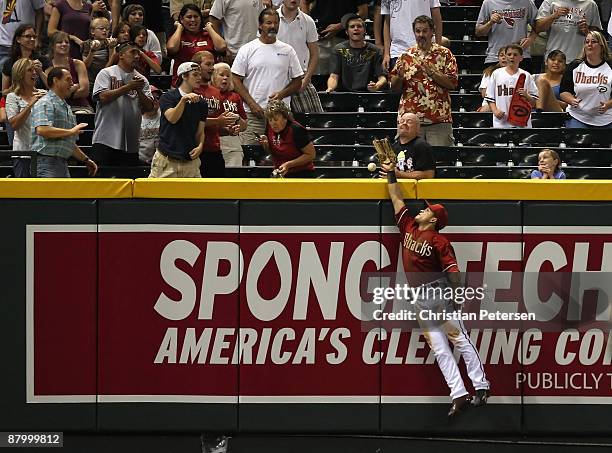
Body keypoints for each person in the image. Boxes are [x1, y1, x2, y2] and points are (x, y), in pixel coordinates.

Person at [381, 160, 490, 418]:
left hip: (438, 294)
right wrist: (390, 176)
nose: (422, 210)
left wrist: (456, 294)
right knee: (440, 349)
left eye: (427, 210)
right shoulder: (408, 226)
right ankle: (459, 394)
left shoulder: (440, 240)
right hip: (419, 299)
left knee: (459, 339)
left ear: (434, 219)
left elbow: (453, 270)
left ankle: (482, 385)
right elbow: (397, 200)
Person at [231, 7, 303, 145]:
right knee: (250, 153)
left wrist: (282, 94)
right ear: (260, 25)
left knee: (284, 151)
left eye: (276, 23)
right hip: (253, 114)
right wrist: (252, 104)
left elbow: (297, 81)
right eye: (269, 23)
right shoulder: (247, 49)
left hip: (281, 113)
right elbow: (235, 80)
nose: (273, 26)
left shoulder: (288, 50)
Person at [390, 15, 457, 146]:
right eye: (418, 31)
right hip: (410, 120)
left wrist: (432, 71)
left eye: (425, 31)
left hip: (438, 119)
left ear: (432, 32)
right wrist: (399, 77)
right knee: (408, 163)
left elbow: (452, 84)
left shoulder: (445, 54)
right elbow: (395, 88)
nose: (421, 34)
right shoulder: (405, 56)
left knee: (440, 161)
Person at [92, 41, 154, 165]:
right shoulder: (106, 73)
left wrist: (139, 91)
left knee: (127, 181)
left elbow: (149, 107)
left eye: (138, 53)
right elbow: (102, 97)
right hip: (105, 139)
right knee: (102, 182)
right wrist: (127, 87)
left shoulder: (142, 79)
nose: (137, 56)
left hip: (131, 143)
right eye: (133, 52)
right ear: (121, 55)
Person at [31, 67, 97, 177]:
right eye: (68, 79)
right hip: (46, 162)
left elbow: (68, 141)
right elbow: (42, 130)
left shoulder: (65, 106)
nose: (72, 84)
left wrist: (85, 160)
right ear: (56, 81)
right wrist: (71, 131)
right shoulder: (45, 102)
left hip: (61, 163)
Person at [150, 61, 207, 178]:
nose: (199, 78)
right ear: (184, 76)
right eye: (195, 75)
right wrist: (183, 100)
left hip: (189, 160)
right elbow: (172, 118)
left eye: (200, 75)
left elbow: (200, 130)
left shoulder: (201, 103)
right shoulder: (168, 97)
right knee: (157, 194)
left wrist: (200, 145)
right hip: (166, 159)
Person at [193, 50, 238, 177]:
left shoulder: (216, 92)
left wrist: (228, 130)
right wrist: (218, 121)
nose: (212, 68)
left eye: (213, 64)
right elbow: (192, 122)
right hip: (194, 149)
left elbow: (217, 124)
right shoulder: (191, 91)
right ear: (197, 66)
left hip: (214, 149)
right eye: (208, 64)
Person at [277, 0, 323, 113]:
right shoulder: (271, 20)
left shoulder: (308, 21)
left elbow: (314, 54)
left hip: (301, 78)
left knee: (316, 122)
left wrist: (306, 79)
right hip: (276, 79)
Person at [299, 0, 368, 75]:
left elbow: (363, 13)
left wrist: (341, 25)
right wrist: (309, 27)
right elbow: (304, 2)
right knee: (318, 79)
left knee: (346, 79)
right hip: (320, 39)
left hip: (346, 40)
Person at [560, 30, 612, 128]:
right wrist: (571, 100)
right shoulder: (575, 66)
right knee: (578, 142)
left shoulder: (610, 66)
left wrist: (608, 105)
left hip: (606, 118)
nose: (589, 44)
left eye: (593, 41)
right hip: (578, 116)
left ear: (602, 45)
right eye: (587, 42)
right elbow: (564, 91)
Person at [167, 4, 226, 86]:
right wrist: (179, 28)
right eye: (189, 17)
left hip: (208, 84)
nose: (193, 20)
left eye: (196, 16)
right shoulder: (178, 36)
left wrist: (210, 29)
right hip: (183, 84)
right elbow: (172, 48)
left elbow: (222, 47)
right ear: (181, 19)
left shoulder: (208, 34)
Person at [326, 13, 387, 93]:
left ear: (365, 30)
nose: (356, 29)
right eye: (352, 27)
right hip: (345, 94)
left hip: (368, 94)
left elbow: (382, 78)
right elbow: (334, 76)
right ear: (347, 32)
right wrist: (330, 88)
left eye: (359, 26)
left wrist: (376, 86)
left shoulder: (375, 50)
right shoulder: (339, 49)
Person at [5, 58, 46, 176]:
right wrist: (30, 104)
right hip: (23, 153)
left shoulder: (44, 94)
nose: (34, 73)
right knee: (25, 193)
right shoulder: (12, 97)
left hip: (43, 153)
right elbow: (14, 125)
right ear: (20, 74)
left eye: (34, 70)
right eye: (30, 70)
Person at [475, 0, 538, 73]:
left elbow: (539, 25)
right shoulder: (488, 2)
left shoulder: (527, 2)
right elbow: (478, 32)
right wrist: (490, 23)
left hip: (520, 56)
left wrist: (531, 38)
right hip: (495, 57)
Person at [381, 0, 444, 72]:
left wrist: (438, 48)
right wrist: (386, 53)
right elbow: (387, 21)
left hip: (425, 50)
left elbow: (436, 18)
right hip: (398, 51)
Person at [258, 99, 315, 177]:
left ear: (285, 118)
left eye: (276, 119)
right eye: (270, 120)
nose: (273, 124)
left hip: (302, 174)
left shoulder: (296, 130)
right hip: (280, 172)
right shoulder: (269, 128)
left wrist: (289, 164)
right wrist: (266, 145)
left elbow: (311, 155)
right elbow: (272, 152)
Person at [485, 44, 538, 128]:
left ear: (521, 58)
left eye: (515, 54)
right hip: (501, 120)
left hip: (521, 120)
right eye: (509, 54)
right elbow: (490, 97)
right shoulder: (496, 74)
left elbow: (534, 102)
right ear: (505, 57)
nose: (512, 57)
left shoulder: (527, 75)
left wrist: (526, 95)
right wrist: (495, 111)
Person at [535, 0, 602, 63]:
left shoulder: (590, 4)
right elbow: (538, 28)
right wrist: (554, 16)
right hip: (553, 59)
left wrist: (587, 31)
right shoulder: (550, 1)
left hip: (579, 60)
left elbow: (597, 36)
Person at [378, 113, 435, 180]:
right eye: (401, 121)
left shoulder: (422, 146)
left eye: (409, 121)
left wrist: (399, 175)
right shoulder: (394, 147)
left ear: (418, 128)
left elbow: (429, 174)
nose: (404, 123)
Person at [47, 31, 92, 113]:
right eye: (59, 42)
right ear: (52, 46)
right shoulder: (48, 66)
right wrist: (72, 89)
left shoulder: (78, 64)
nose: (64, 44)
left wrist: (63, 93)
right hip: (56, 108)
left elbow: (85, 91)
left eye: (67, 42)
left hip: (79, 107)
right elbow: (50, 91)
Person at [212, 62, 247, 167]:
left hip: (233, 143)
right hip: (213, 141)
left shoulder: (235, 97)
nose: (225, 78)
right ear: (213, 77)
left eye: (228, 76)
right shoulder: (207, 95)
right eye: (221, 75)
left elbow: (244, 125)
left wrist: (237, 119)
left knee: (234, 178)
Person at [2, 24, 49, 93]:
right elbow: (4, 92)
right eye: (28, 36)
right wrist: (17, 84)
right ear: (18, 39)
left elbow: (53, 87)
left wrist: (41, 72)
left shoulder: (43, 60)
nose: (32, 39)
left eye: (34, 37)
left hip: (40, 99)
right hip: (17, 100)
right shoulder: (9, 62)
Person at [0, 0, 46, 69]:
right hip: (3, 43)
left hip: (27, 43)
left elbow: (40, 12)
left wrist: (37, 37)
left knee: (28, 73)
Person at [82, 17, 117, 90]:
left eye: (107, 29)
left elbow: (110, 65)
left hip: (105, 78)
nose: (105, 30)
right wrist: (92, 51)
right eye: (101, 28)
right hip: (91, 80)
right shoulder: (87, 44)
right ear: (92, 31)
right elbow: (86, 65)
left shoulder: (110, 44)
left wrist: (111, 49)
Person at [477, 46, 507, 112]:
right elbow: (484, 94)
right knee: (485, 110)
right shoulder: (489, 72)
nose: (503, 58)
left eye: (506, 55)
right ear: (498, 58)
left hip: (509, 104)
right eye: (501, 55)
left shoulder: (519, 73)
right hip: (491, 104)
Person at [139, 85, 162, 164]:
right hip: (140, 162)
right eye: (152, 97)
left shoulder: (166, 116)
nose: (155, 100)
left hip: (160, 162)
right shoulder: (135, 117)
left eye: (158, 98)